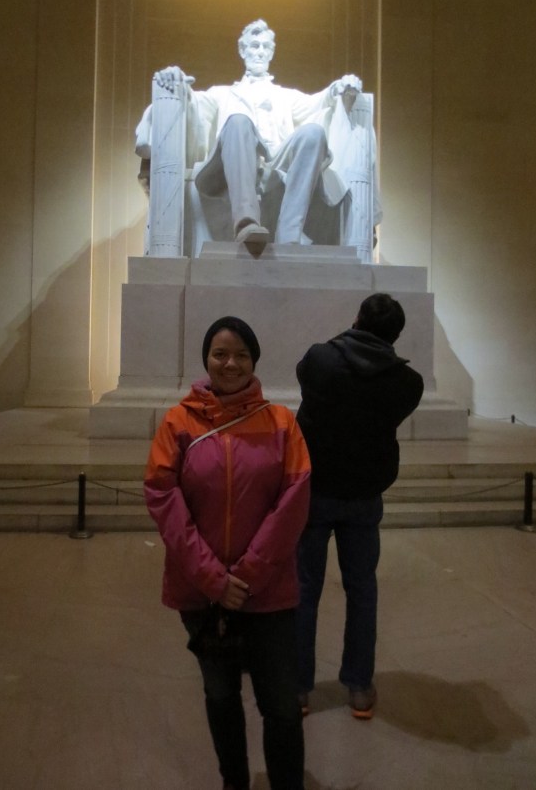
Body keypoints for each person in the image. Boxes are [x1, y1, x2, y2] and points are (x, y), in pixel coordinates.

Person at [144, 316, 311, 790]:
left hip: (268, 593)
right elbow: (161, 494)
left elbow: (295, 498)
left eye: (240, 353)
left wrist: (251, 574)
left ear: (254, 359)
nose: (230, 363)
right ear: (206, 360)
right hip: (203, 593)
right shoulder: (178, 422)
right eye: (220, 354)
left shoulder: (281, 423)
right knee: (220, 697)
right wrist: (214, 579)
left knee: (280, 704)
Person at [137, 19, 380, 250]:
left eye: (266, 47)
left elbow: (320, 104)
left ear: (272, 53)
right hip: (232, 168)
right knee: (239, 121)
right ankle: (246, 222)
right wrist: (176, 80)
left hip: (276, 166)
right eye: (254, 46)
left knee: (314, 133)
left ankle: (289, 234)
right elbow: (194, 105)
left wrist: (338, 87)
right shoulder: (222, 94)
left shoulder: (286, 96)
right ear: (242, 51)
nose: (260, 51)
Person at [294, 293, 424, 719]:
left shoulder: (319, 359)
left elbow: (307, 383)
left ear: (356, 319)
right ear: (396, 336)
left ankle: (297, 688)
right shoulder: (408, 383)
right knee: (363, 591)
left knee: (304, 591)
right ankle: (360, 687)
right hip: (365, 495)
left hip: (315, 492)